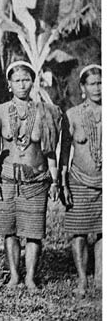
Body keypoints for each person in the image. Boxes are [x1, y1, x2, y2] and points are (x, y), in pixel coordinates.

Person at [0, 61, 61, 291]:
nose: (22, 85)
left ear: (33, 82)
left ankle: (30, 277)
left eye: (26, 80)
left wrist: (55, 181)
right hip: (7, 178)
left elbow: (49, 151)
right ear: (9, 85)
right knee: (9, 230)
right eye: (17, 81)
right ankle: (14, 276)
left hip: (37, 179)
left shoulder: (45, 111)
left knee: (33, 232)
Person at [62, 64, 102, 295]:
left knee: (102, 231)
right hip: (78, 179)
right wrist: (63, 182)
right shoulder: (73, 115)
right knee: (79, 231)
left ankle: (99, 278)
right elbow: (64, 153)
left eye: (100, 83)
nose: (98, 88)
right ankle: (81, 279)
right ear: (83, 87)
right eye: (93, 83)